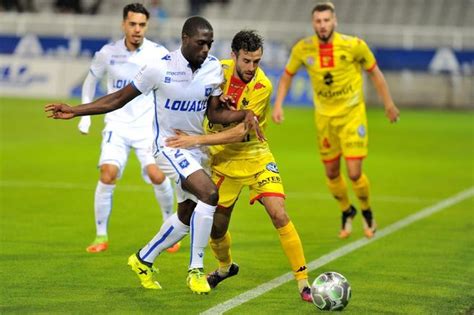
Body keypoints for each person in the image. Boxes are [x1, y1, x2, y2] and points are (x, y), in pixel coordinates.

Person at [45, 16, 262, 295]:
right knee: (209, 195)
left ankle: (142, 259)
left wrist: (243, 113)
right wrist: (76, 110)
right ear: (185, 39)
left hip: (198, 149)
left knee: (187, 214)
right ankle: (195, 270)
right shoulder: (159, 68)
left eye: (209, 44)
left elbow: (214, 113)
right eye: (200, 43)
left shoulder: (213, 70)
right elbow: (117, 98)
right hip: (168, 147)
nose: (206, 49)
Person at [165, 30, 312, 302]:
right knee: (216, 229)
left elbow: (240, 133)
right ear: (234, 56)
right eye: (246, 61)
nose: (251, 68)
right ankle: (224, 268)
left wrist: (196, 139)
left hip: (255, 155)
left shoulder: (262, 87)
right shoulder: (217, 70)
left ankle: (303, 282)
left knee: (279, 213)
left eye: (257, 61)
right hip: (222, 161)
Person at [272, 2, 400, 239]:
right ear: (313, 24)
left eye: (326, 20)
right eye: (318, 21)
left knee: (353, 172)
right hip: (324, 120)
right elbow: (287, 76)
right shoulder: (303, 48)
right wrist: (278, 104)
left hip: (352, 116)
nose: (322, 25)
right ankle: (346, 210)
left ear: (335, 21)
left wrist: (388, 103)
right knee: (331, 173)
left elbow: (375, 73)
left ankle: (367, 211)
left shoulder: (354, 46)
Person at [77, 3, 176, 254]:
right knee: (107, 174)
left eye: (142, 25)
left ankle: (169, 228)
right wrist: (85, 117)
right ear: (123, 25)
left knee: (157, 175)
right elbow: (90, 83)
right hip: (117, 125)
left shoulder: (158, 53)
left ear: (147, 26)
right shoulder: (107, 53)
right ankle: (101, 235)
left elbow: (173, 85)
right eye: (132, 24)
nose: (137, 29)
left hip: (147, 128)